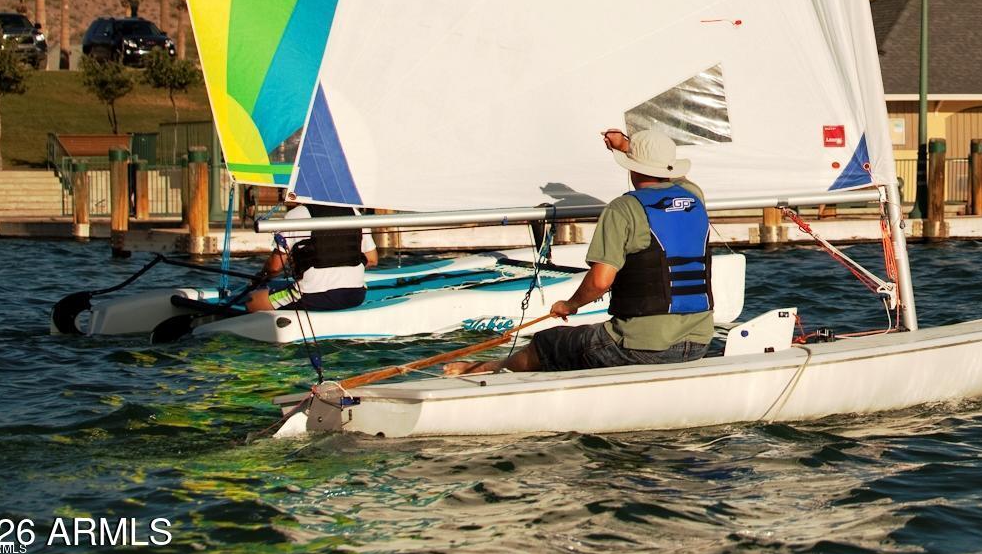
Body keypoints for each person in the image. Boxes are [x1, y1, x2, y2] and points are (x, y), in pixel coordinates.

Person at [444, 126, 713, 375]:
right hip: (698, 341)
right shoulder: (695, 196)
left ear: (632, 168)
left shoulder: (623, 209)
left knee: (547, 343)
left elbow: (600, 281)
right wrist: (628, 149)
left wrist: (569, 305)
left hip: (641, 346)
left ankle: (489, 368)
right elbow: (674, 175)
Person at [246, 197, 379, 312]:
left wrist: (262, 276)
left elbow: (274, 267)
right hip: (355, 295)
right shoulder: (355, 213)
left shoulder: (296, 215)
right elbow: (372, 259)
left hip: (313, 297)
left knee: (252, 301)